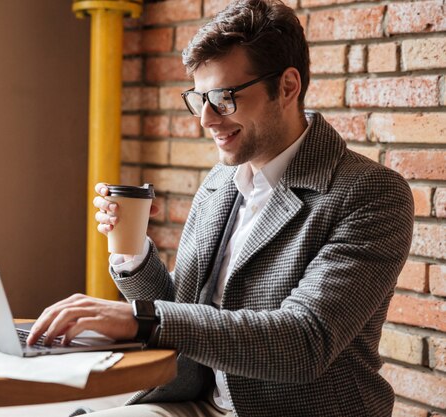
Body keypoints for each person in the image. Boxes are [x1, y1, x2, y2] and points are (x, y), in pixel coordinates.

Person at [28, 0, 414, 415]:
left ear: (287, 86)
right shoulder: (221, 182)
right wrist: (132, 252)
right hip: (197, 398)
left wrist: (140, 318)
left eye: (224, 97)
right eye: (199, 98)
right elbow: (186, 311)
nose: (206, 119)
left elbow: (305, 341)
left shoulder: (370, 193)